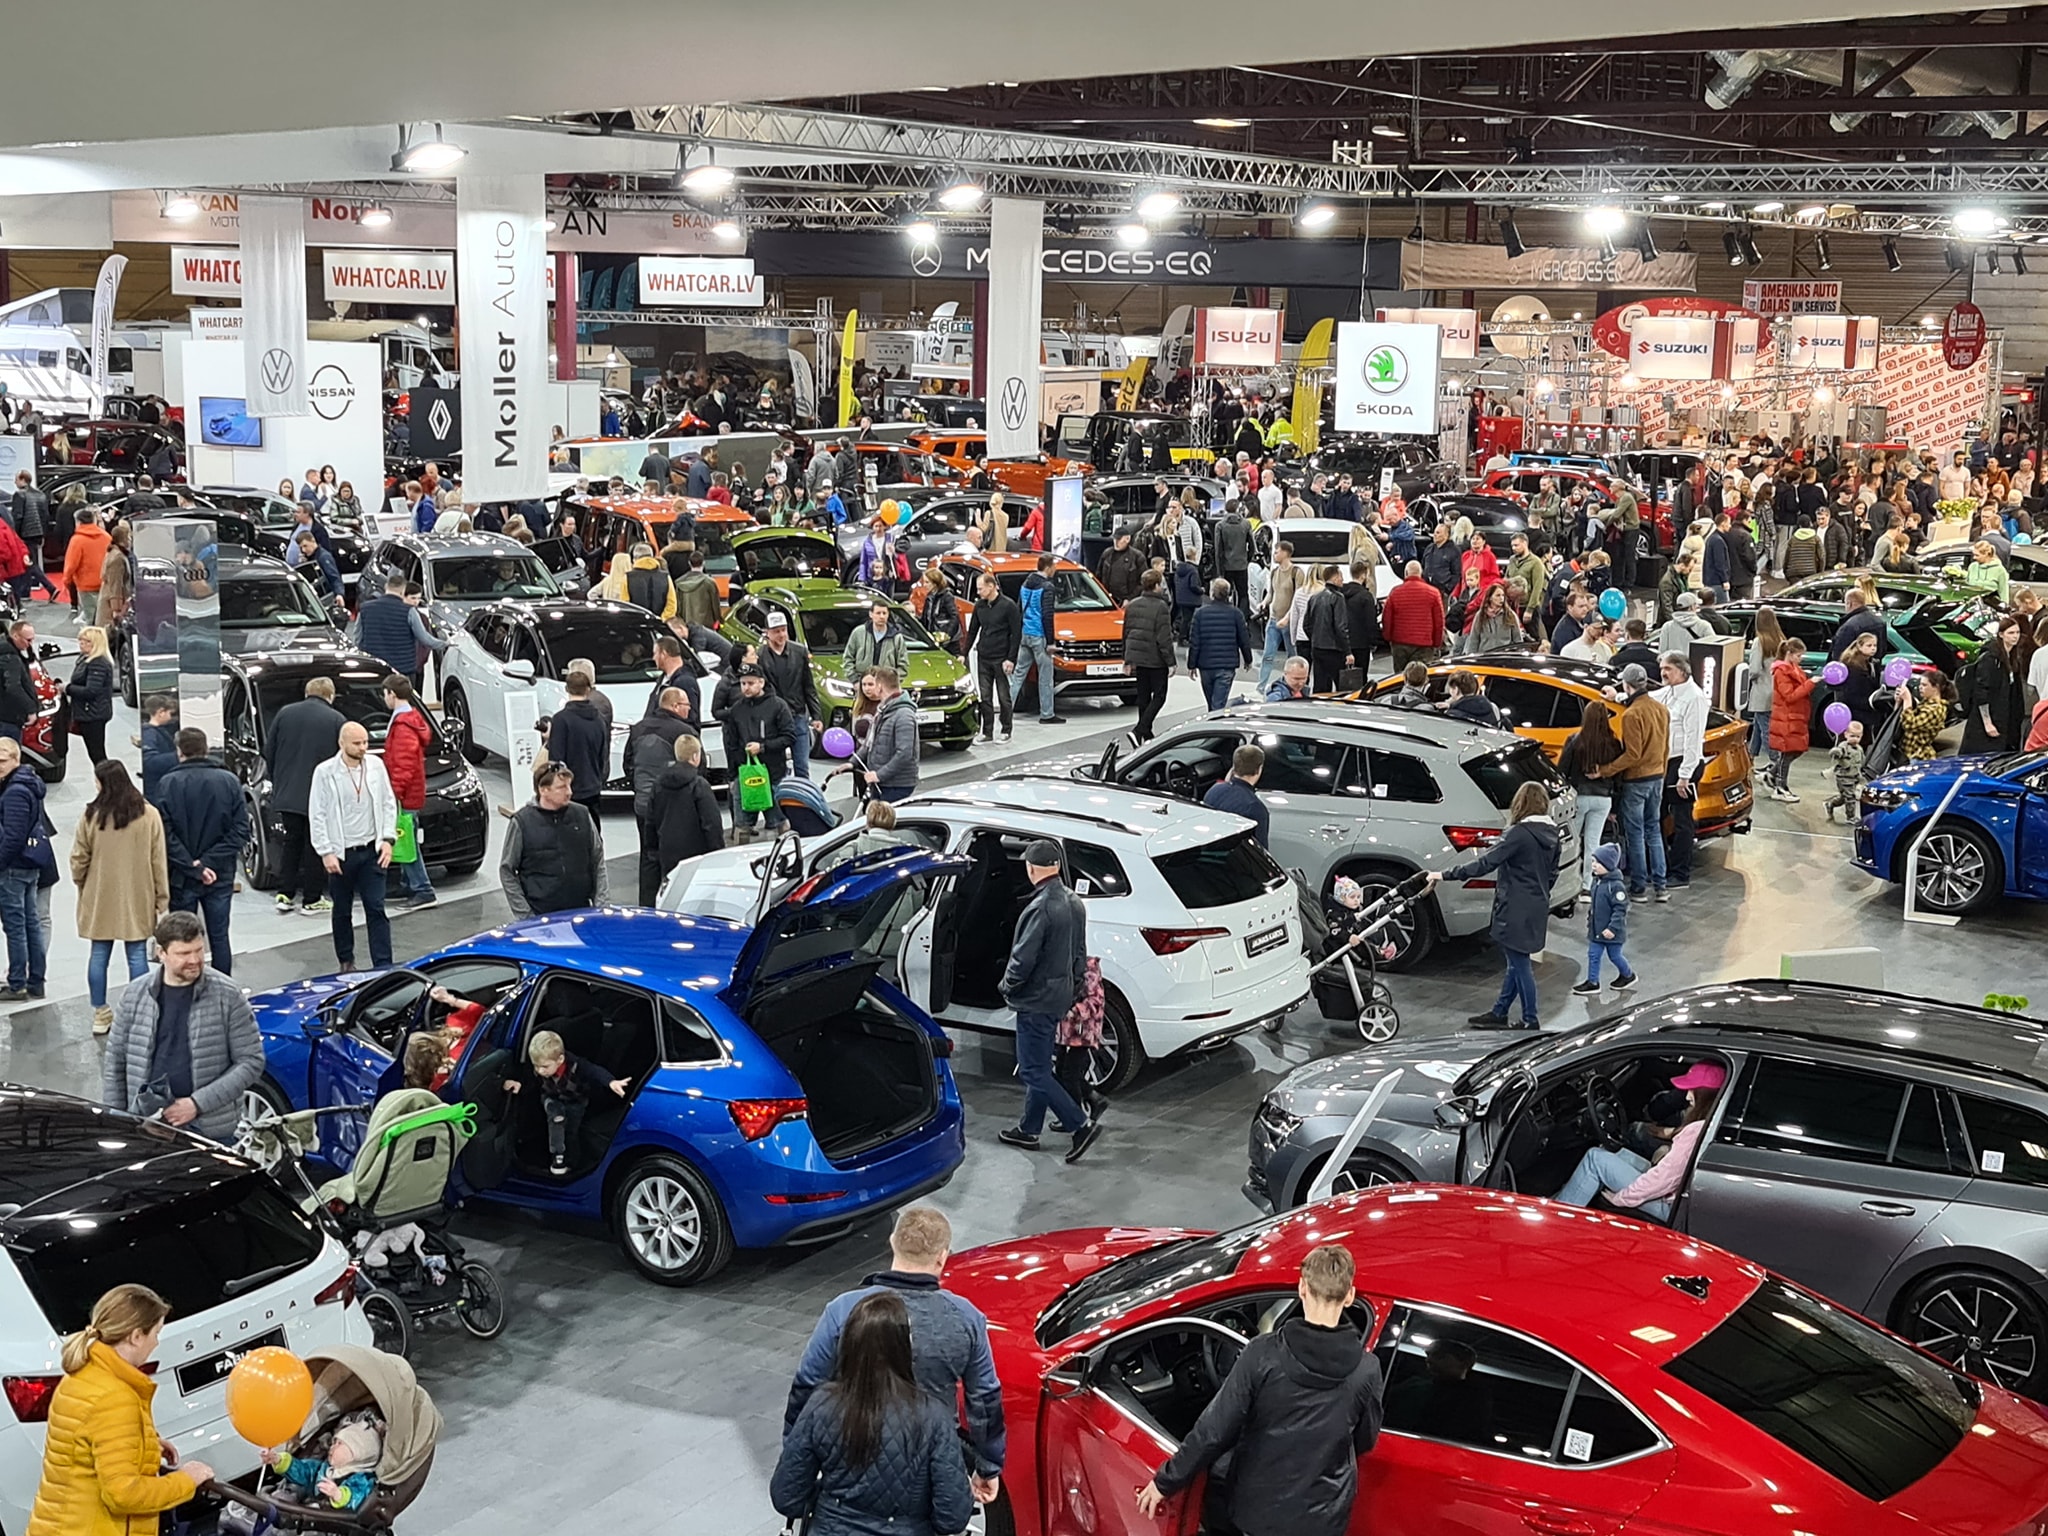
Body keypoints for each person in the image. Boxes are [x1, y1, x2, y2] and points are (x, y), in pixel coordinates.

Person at [1136, 1245, 1383, 1536]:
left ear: (1302, 1288)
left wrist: (1165, 1482)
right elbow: (1364, 1440)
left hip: (1259, 1514)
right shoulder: (1367, 1370)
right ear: (1349, 1296)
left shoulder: (1262, 1355)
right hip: (1322, 1519)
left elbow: (1214, 1431)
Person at [785, 1206, 1005, 1506]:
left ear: (892, 1241)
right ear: (942, 1256)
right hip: (929, 1463)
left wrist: (796, 1454)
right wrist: (988, 1465)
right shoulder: (967, 1318)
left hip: (851, 1455)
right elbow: (985, 1399)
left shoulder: (844, 1309)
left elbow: (807, 1386)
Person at [772, 1291, 975, 1536]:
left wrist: (830, 1503)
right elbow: (953, 1517)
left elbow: (786, 1497)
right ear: (905, 1348)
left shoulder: (821, 1405)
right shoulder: (934, 1417)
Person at [25, 1283, 215, 1535]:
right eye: (156, 1333)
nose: (156, 1343)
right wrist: (186, 1480)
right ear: (136, 1336)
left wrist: (145, 1443)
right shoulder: (115, 1397)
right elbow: (124, 1494)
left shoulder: (81, 1376)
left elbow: (90, 1444)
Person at [102, 909, 264, 1141]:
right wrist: (117, 1122)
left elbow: (251, 1061)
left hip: (210, 1131)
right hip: (145, 1125)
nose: (195, 960)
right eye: (184, 953)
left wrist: (197, 1104)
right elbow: (115, 1062)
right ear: (161, 953)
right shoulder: (135, 995)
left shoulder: (227, 995)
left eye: (199, 950)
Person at [997, 839, 1101, 1162]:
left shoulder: (1040, 908)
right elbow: (1080, 953)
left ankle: (1080, 1125)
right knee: (1040, 1066)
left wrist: (1007, 986)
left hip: (1036, 999)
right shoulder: (1074, 901)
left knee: (1033, 1070)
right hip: (1059, 997)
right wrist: (1073, 989)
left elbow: (1023, 959)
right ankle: (1029, 1129)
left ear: (1031, 869)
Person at [1430, 779, 1560, 1030]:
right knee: (1516, 961)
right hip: (1537, 904)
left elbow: (1485, 864)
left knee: (1520, 966)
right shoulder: (1553, 834)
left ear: (1520, 803)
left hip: (1514, 906)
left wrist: (1444, 875)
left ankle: (1530, 1019)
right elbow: (1552, 873)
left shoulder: (1518, 833)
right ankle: (1500, 1012)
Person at [1555, 1064, 1727, 1221]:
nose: (1688, 1096)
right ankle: (1566, 1196)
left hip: (1667, 1205)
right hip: (1673, 1193)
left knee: (1594, 1159)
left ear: (1706, 1096)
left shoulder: (1694, 1131)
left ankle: (1557, 1218)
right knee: (1614, 1151)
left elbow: (1663, 1179)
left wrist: (1622, 1198)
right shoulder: (1715, 1121)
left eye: (1693, 1091)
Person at [71, 760, 167, 1036]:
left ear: (104, 783)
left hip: (99, 894)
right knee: (136, 954)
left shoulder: (91, 815)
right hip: (138, 895)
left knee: (99, 954)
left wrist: (82, 882)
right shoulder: (149, 814)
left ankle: (100, 1012)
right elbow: (158, 860)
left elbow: (79, 857)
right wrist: (161, 898)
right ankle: (139, 1013)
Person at [152, 727, 245, 976]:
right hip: (219, 874)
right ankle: (223, 986)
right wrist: (208, 863)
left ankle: (185, 984)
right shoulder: (229, 781)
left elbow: (165, 835)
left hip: (182, 876)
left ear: (179, 751)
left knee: (181, 938)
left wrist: (193, 866)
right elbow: (240, 831)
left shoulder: (167, 784)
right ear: (206, 749)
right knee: (219, 936)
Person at [307, 722, 397, 971]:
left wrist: (388, 839)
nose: (363, 747)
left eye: (365, 742)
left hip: (372, 852)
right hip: (342, 854)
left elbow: (388, 803)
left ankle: (384, 965)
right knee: (342, 910)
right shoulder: (324, 772)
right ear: (342, 743)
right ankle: (346, 961)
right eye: (357, 743)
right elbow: (317, 813)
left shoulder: (376, 766)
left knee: (376, 908)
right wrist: (326, 851)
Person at [1589, 664, 1671, 901]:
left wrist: (1605, 770)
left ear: (1626, 685)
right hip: (1657, 777)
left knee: (1635, 834)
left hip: (1637, 781)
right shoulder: (1661, 709)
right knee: (1654, 831)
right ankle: (1661, 887)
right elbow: (1666, 747)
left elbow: (1632, 755)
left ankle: (1638, 888)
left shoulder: (1632, 715)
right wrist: (1662, 773)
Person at [502, 761, 609, 914]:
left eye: (569, 785)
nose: (569, 792)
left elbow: (597, 859)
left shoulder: (582, 815)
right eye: (562, 787)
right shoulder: (522, 822)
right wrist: (526, 915)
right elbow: (507, 870)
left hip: (581, 910)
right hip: (540, 914)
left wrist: (601, 906)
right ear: (543, 790)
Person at [377, 674, 437, 909]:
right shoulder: (412, 719)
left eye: (385, 694)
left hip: (405, 796)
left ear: (392, 694)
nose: (384, 698)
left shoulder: (402, 726)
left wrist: (395, 793)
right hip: (412, 793)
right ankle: (408, 883)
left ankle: (423, 890)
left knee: (406, 841)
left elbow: (403, 764)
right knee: (406, 838)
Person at [722, 665, 796, 840]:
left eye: (750, 683)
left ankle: (789, 851)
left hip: (774, 774)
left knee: (781, 821)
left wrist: (763, 747)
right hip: (745, 776)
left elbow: (789, 737)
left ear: (761, 682)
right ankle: (741, 854)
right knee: (742, 826)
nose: (746, 687)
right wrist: (732, 776)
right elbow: (731, 744)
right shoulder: (737, 710)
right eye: (743, 683)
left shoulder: (778, 706)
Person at [1653, 652, 1706, 890]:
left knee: (1682, 820)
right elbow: (1651, 696)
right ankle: (1661, 866)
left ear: (1682, 671)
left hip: (1685, 764)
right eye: (1662, 668)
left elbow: (1693, 739)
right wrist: (1622, 694)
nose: (1663, 673)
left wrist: (1685, 775)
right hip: (1668, 763)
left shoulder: (1695, 698)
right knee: (1657, 815)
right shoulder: (1669, 691)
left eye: (1668, 669)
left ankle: (1680, 873)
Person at [651, 734, 723, 882]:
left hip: (668, 853)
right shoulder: (699, 785)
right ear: (695, 756)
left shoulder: (658, 784)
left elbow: (651, 821)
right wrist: (718, 854)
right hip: (697, 856)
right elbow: (712, 824)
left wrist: (654, 852)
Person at [1571, 841, 1636, 996]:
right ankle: (1593, 982)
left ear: (1608, 865)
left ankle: (1628, 974)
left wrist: (1613, 928)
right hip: (1597, 930)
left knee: (1615, 956)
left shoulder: (1616, 886)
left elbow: (1620, 910)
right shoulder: (1597, 882)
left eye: (1598, 863)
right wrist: (1590, 922)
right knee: (1593, 955)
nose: (1594, 865)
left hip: (1612, 932)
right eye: (1593, 861)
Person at [963, 571, 1021, 743]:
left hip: (1002, 658)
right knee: (985, 696)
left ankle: (1006, 729)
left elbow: (1016, 634)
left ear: (991, 586)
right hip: (984, 657)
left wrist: (1011, 659)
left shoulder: (1008, 606)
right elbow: (973, 631)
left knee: (1003, 696)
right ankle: (987, 731)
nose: (978, 592)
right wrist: (963, 653)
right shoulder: (979, 606)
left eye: (980, 588)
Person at [355, 574, 444, 681]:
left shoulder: (365, 608)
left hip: (374, 669)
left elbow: (357, 640)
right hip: (403, 670)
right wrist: (445, 644)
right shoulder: (409, 611)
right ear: (403, 591)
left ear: (386, 587)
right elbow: (425, 639)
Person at [1009, 554, 1065, 724]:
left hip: (1025, 633)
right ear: (1048, 567)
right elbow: (1047, 615)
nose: (1055, 569)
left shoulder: (1026, 583)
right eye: (1054, 566)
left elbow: (1019, 608)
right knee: (1045, 677)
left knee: (1018, 675)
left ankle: (1006, 710)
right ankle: (1047, 714)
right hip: (1039, 636)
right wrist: (1050, 642)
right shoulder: (1047, 587)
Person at [1961, 613, 2028, 752]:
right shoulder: (1991, 658)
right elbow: (1981, 691)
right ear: (2001, 635)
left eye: (2017, 632)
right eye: (2011, 633)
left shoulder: (2013, 656)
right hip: (1988, 721)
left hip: (2006, 718)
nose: (2015, 636)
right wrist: (1987, 723)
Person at [1122, 569, 1175, 744]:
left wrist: (1126, 658)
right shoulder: (1161, 607)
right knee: (1160, 696)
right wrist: (1171, 662)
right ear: (1157, 585)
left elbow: (1126, 632)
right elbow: (1164, 637)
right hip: (1156, 659)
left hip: (1138, 658)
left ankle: (1145, 735)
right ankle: (1139, 730)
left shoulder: (1132, 605)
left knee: (1143, 697)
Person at [1187, 577, 1254, 711]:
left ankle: (1211, 721)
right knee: (1218, 705)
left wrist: (1191, 664)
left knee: (1212, 704)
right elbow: (1244, 640)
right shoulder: (1236, 614)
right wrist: (1248, 659)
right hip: (1227, 664)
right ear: (1229, 594)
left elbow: (1194, 642)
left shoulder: (1200, 614)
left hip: (1205, 665)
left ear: (1212, 593)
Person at [1766, 638, 1817, 802]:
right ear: (1789, 653)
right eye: (1799, 656)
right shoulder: (1781, 672)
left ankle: (1771, 775)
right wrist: (1810, 684)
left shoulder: (1794, 669)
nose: (1801, 659)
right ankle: (1780, 787)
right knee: (1787, 753)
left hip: (1795, 716)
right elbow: (1789, 696)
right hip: (1786, 717)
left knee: (1795, 749)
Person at [63, 626, 115, 766]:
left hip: (93, 714)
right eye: (81, 640)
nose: (81, 643)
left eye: (87, 641)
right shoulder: (85, 660)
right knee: (95, 753)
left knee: (97, 754)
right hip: (87, 712)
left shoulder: (98, 663)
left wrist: (67, 688)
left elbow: (91, 691)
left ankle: (107, 778)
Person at [1381, 560, 1447, 669]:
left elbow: (1387, 618)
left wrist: (1388, 637)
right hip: (1424, 645)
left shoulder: (1395, 592)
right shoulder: (1433, 593)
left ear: (1406, 573)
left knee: (1399, 676)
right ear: (1421, 573)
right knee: (1420, 675)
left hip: (1400, 643)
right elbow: (1439, 621)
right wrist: (1437, 642)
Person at [1301, 564, 1354, 693]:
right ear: (1335, 578)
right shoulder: (1337, 598)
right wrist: (1347, 651)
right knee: (1342, 687)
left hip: (1317, 647)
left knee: (1320, 685)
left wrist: (1314, 638)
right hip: (1334, 649)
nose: (1342, 580)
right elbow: (1340, 627)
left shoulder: (1314, 598)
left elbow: (1306, 624)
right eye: (1341, 576)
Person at [1203, 743, 1270, 846]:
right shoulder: (1255, 807)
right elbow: (1259, 850)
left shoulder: (1214, 790)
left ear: (1234, 767)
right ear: (1258, 770)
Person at [62, 506, 111, 623]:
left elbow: (71, 564)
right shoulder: (106, 537)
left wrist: (66, 581)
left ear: (78, 522)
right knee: (105, 617)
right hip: (105, 582)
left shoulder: (77, 540)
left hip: (86, 585)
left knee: (90, 618)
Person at [1097, 528, 1143, 605]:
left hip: (1129, 600)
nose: (1116, 542)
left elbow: (1143, 581)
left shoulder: (1137, 556)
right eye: (1114, 539)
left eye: (1119, 539)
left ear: (1127, 539)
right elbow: (1098, 575)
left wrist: (1129, 598)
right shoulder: (1107, 554)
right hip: (1107, 598)